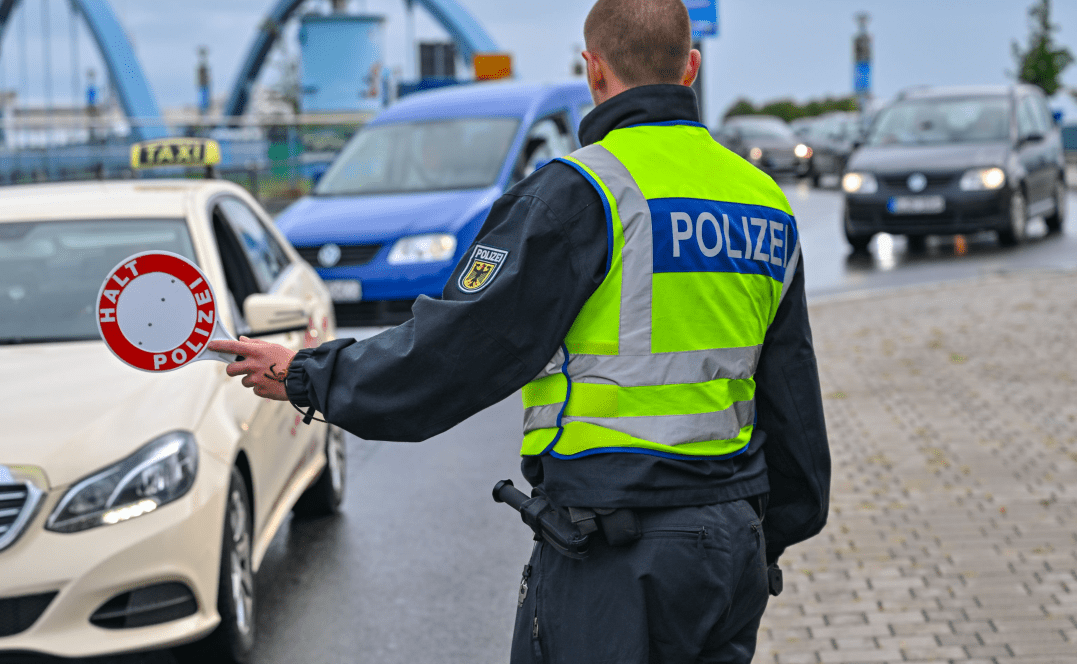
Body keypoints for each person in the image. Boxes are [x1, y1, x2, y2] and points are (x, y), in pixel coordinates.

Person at [209, 0, 831, 661]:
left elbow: (454, 354)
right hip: (731, 546)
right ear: (691, 68)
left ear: (593, 69)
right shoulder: (763, 200)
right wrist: (762, 533)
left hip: (617, 554)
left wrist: (307, 374)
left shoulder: (582, 192)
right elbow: (793, 397)